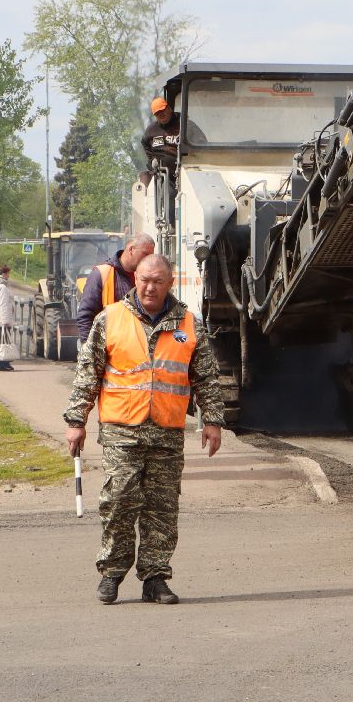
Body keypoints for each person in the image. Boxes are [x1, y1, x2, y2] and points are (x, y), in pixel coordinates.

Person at [62, 253, 223, 606]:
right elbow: (87, 374)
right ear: (135, 279)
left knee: (161, 508)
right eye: (145, 280)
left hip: (167, 432)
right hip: (122, 431)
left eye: (158, 281)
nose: (150, 287)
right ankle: (112, 573)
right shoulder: (110, 319)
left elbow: (206, 377)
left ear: (170, 284)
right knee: (119, 501)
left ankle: (155, 578)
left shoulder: (188, 324)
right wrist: (76, 422)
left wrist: (212, 420)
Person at [75, 233, 155, 342]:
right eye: (145, 254)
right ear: (131, 250)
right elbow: (86, 316)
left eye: (151, 256)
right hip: (109, 347)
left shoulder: (148, 277)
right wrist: (88, 348)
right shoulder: (102, 274)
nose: (148, 260)